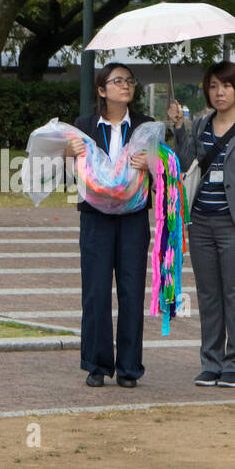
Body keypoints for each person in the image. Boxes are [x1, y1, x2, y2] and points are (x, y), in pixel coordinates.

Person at [68, 63, 153, 388]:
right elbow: (67, 174)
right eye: (118, 81)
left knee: (132, 291)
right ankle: (96, 364)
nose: (125, 86)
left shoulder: (146, 126)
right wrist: (66, 153)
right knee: (96, 292)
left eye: (129, 81)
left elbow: (168, 172)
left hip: (133, 219)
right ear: (102, 90)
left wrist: (154, 162)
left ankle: (130, 367)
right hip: (95, 218)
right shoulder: (84, 126)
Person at [171, 60, 235, 387]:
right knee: (208, 294)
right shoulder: (200, 125)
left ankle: (232, 363)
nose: (219, 92)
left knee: (232, 294)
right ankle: (210, 361)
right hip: (200, 221)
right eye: (213, 86)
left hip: (231, 224)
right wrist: (179, 127)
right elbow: (183, 163)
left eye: (225, 85)